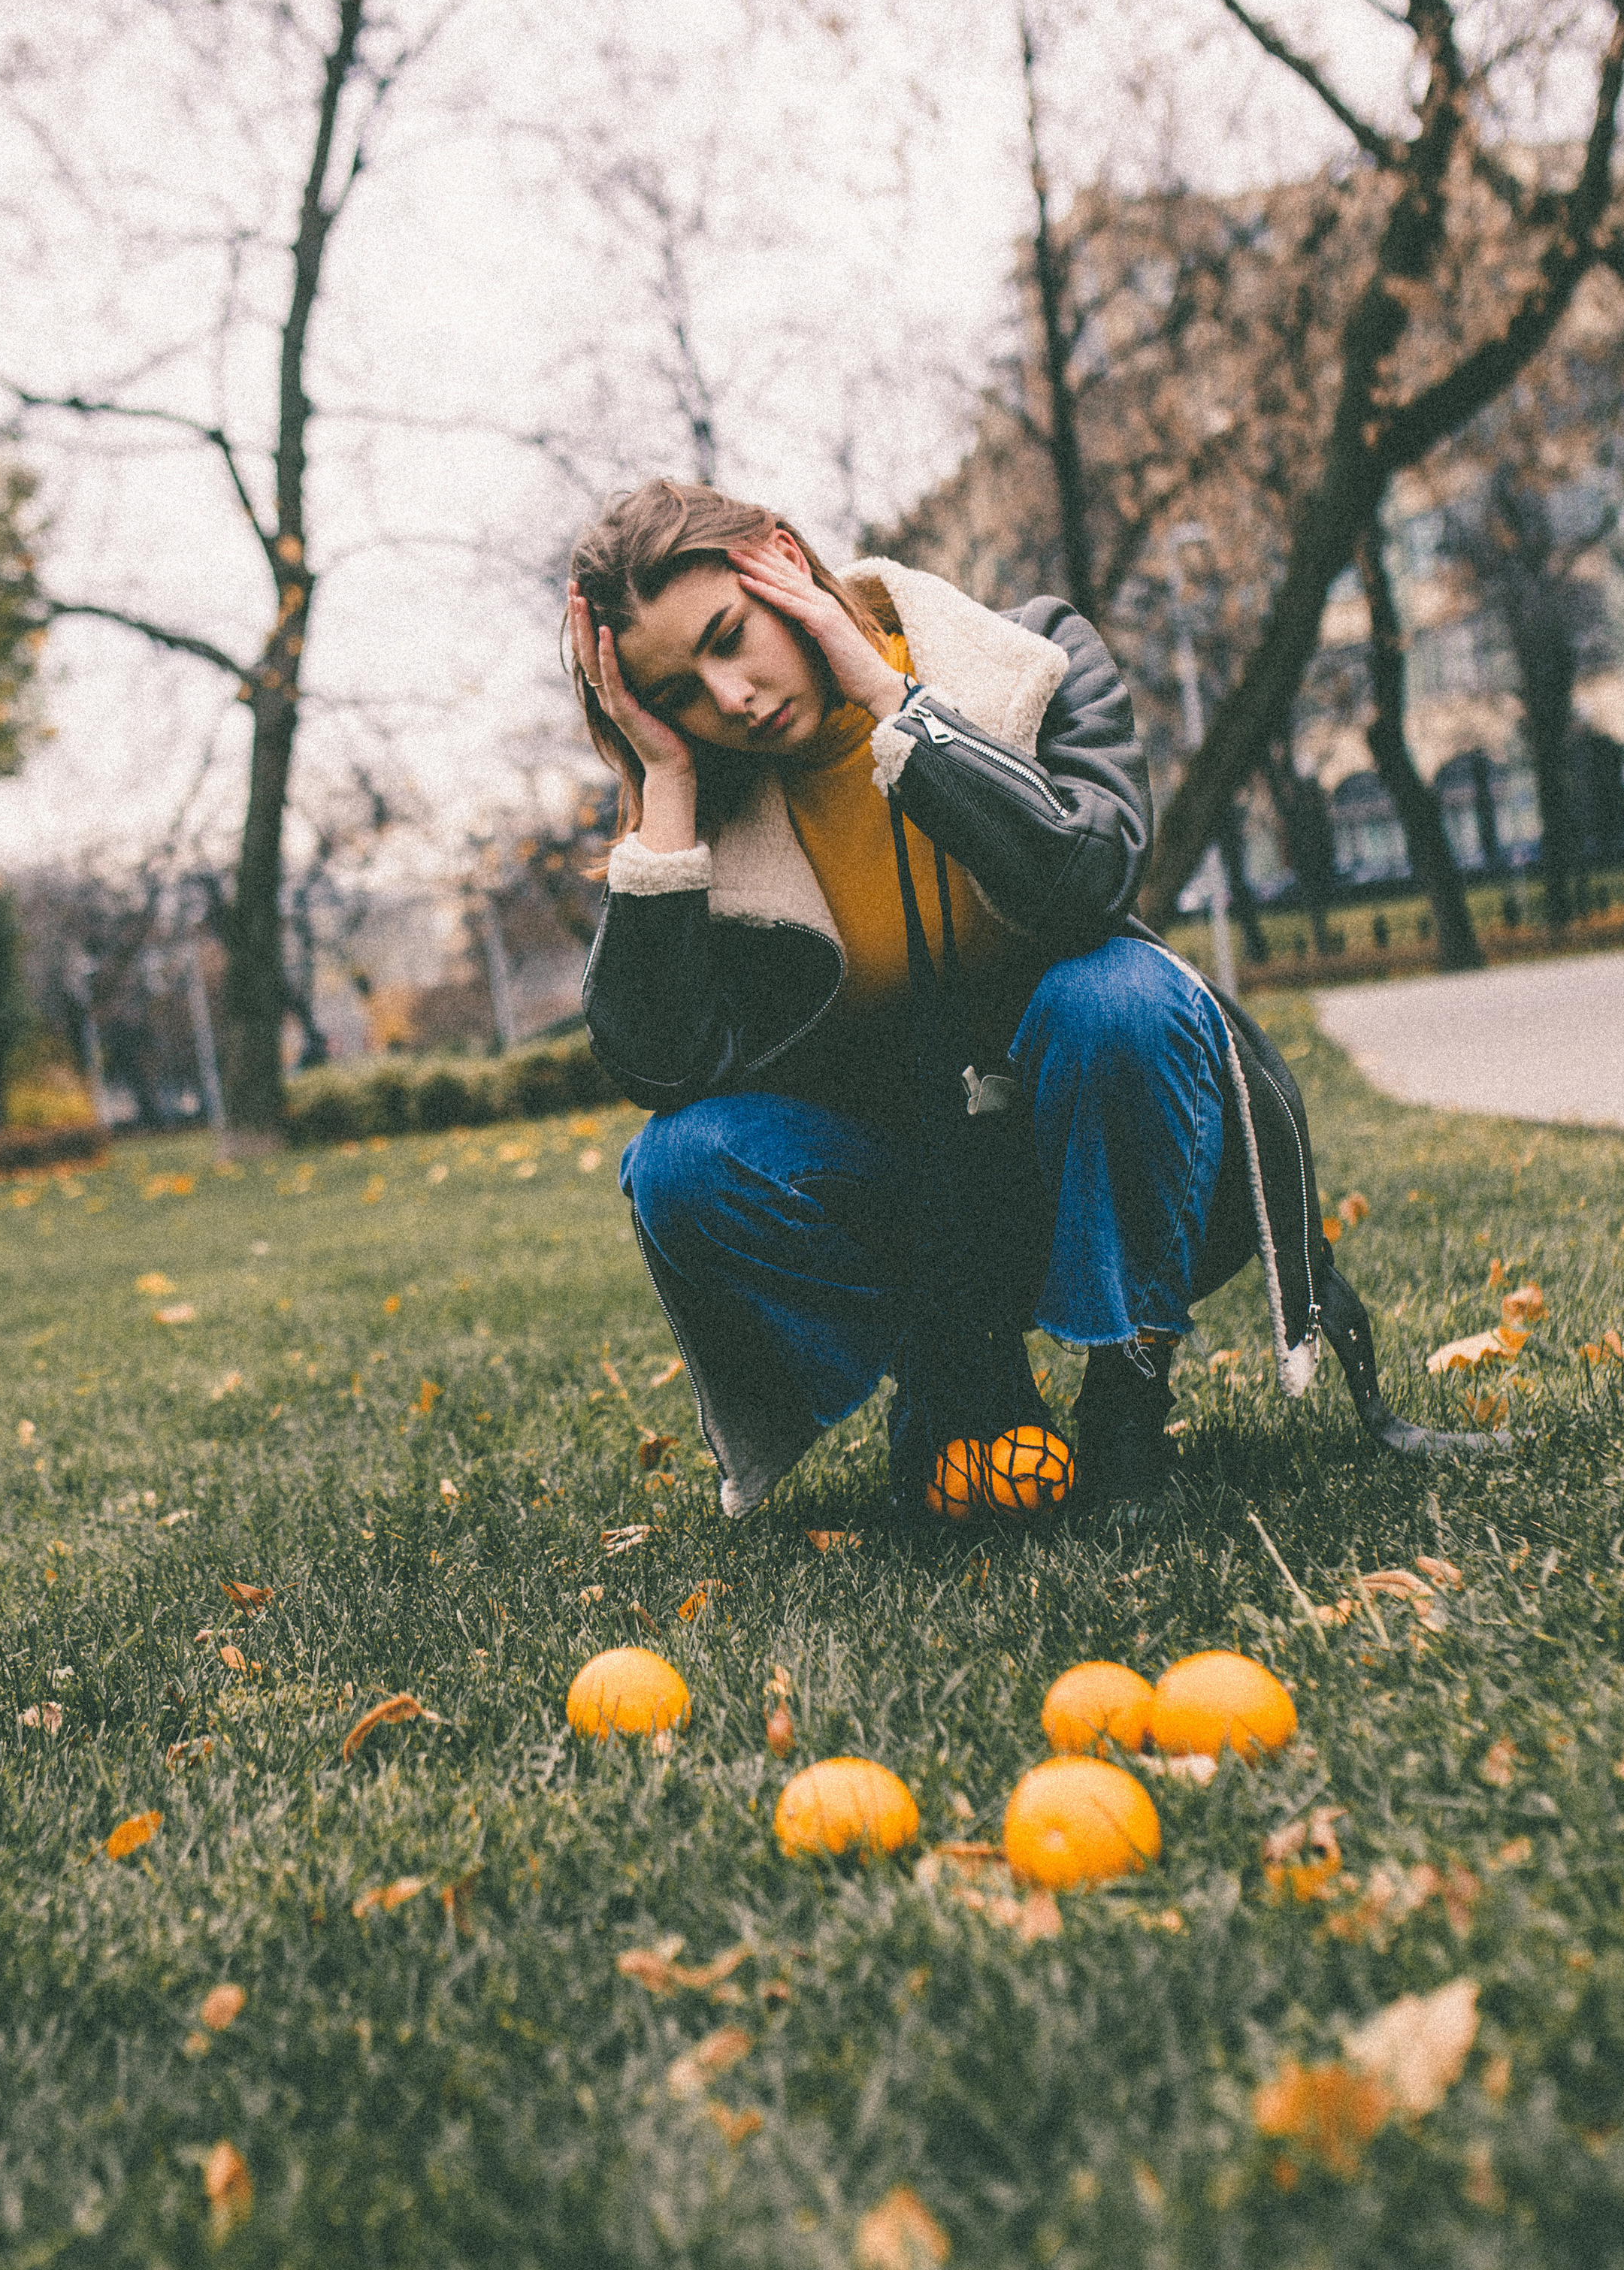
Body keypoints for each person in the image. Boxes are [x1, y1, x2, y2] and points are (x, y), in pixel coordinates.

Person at [565, 477, 1341, 1524]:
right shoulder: (716, 809)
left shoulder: (1025, 660)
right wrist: (663, 788)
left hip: (1126, 1163)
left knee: (1116, 993)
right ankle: (955, 1382)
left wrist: (901, 712)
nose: (731, 697)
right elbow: (657, 1069)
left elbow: (1085, 884)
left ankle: (1128, 1394)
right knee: (680, 1162)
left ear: (785, 564)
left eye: (727, 637)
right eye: (680, 693)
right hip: (920, 1215)